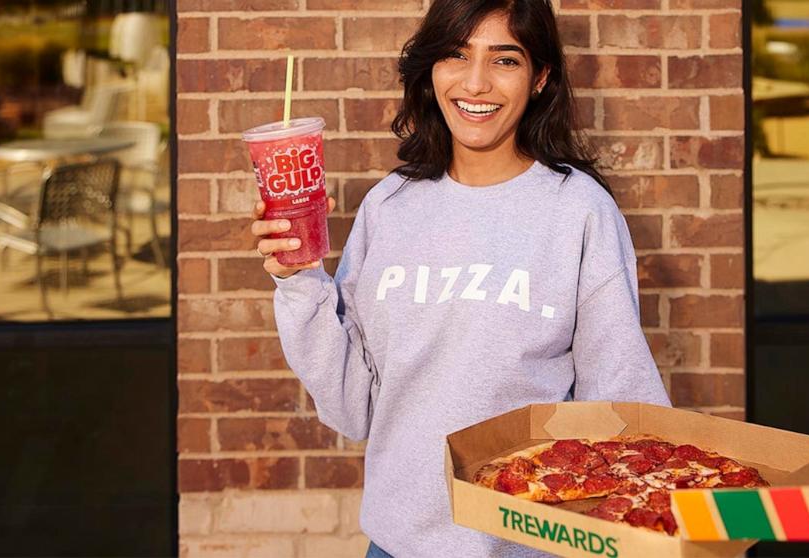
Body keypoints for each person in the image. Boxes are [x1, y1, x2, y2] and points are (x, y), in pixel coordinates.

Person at [250, 0, 671, 556]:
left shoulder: (579, 212)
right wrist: (300, 279)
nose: (475, 83)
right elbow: (355, 409)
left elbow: (619, 397)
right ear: (431, 69)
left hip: (529, 547)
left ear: (540, 77)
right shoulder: (389, 207)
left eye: (504, 60)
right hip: (397, 545)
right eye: (455, 55)